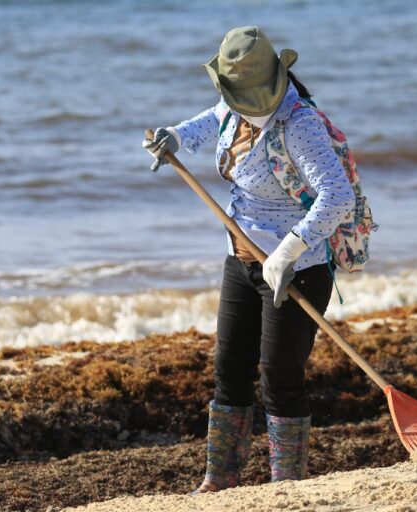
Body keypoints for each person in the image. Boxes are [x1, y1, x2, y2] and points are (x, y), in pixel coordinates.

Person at [143, 26, 355, 494]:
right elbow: (209, 120)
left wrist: (288, 251)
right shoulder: (234, 105)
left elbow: (337, 197)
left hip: (296, 271)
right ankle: (220, 480)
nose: (236, 100)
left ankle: (286, 489)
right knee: (229, 370)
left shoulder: (299, 124)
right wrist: (174, 137)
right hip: (239, 261)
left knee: (279, 378)